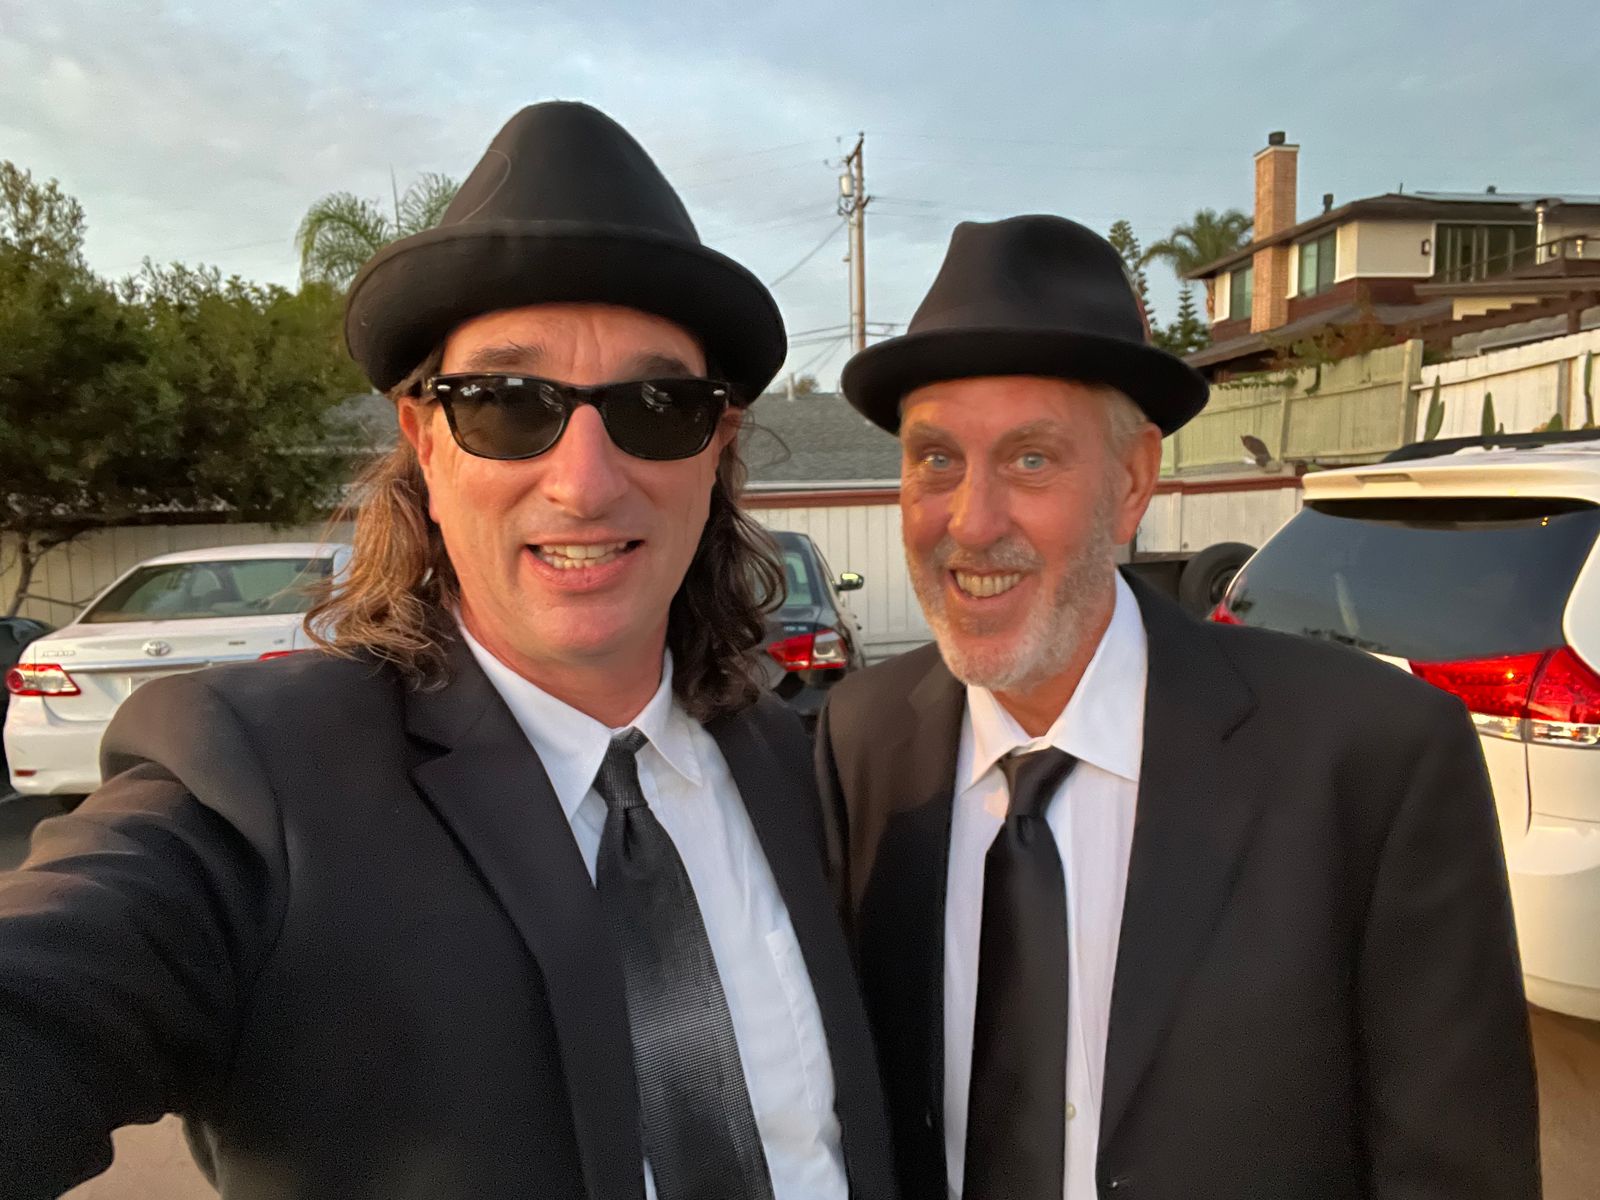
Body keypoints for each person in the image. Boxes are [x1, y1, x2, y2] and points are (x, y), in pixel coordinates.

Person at [0, 102, 895, 1200]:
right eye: (507, 404)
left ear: (716, 448)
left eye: (657, 406)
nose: (584, 481)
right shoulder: (256, 787)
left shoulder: (805, 769)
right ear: (424, 441)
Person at [815, 214, 1539, 1200]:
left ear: (1132, 482)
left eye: (1030, 458)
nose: (971, 522)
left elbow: (1455, 1171)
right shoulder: (860, 745)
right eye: (936, 458)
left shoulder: (1371, 761)